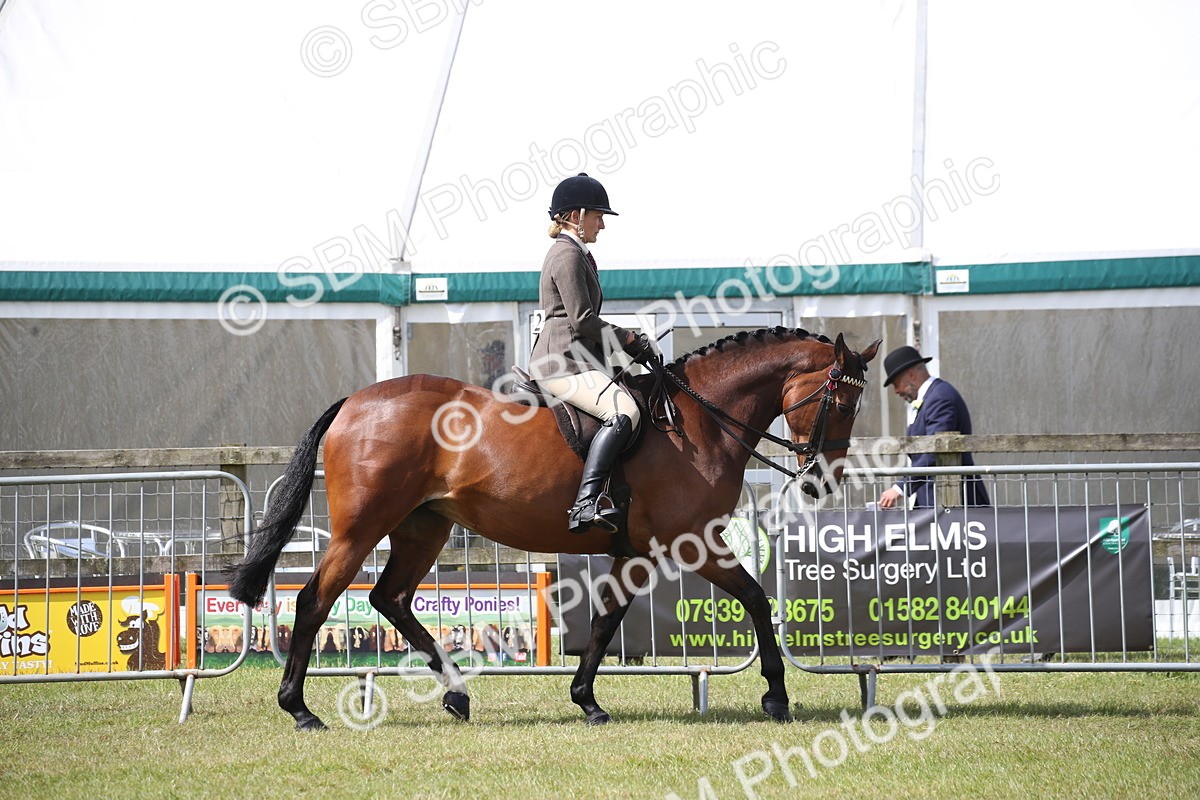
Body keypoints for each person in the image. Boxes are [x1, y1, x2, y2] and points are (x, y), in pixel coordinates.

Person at [529, 173, 654, 534]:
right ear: (575, 215)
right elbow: (583, 320)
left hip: (577, 359)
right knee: (624, 410)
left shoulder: (577, 254)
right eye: (598, 216)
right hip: (562, 363)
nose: (602, 224)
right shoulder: (567, 255)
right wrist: (630, 339)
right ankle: (585, 504)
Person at [877, 345, 990, 509]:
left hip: (954, 501)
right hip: (935, 501)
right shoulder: (932, 398)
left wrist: (900, 488)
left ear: (910, 374)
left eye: (896, 384)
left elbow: (935, 450)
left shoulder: (940, 398)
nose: (896, 391)